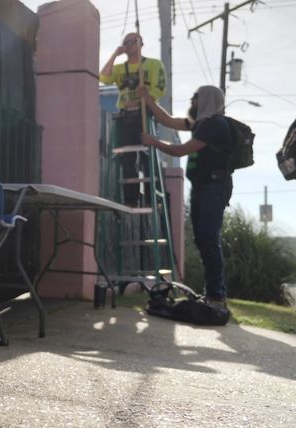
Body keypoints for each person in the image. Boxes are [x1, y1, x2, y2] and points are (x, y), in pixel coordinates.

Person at [139, 85, 233, 309]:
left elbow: (182, 150)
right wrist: (148, 99)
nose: (193, 101)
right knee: (203, 239)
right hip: (202, 186)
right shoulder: (200, 123)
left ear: (208, 100)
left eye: (197, 97)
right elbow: (168, 120)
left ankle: (217, 296)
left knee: (209, 239)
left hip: (214, 186)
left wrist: (155, 142)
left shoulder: (215, 124)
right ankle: (212, 294)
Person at [100, 33, 166, 206]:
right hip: (125, 117)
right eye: (126, 42)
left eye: (132, 42)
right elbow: (103, 77)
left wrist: (140, 102)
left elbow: (159, 88)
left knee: (147, 157)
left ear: (141, 44)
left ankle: (152, 199)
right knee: (127, 159)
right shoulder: (120, 69)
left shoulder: (153, 64)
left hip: (145, 115)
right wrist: (115, 54)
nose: (128, 45)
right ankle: (131, 199)